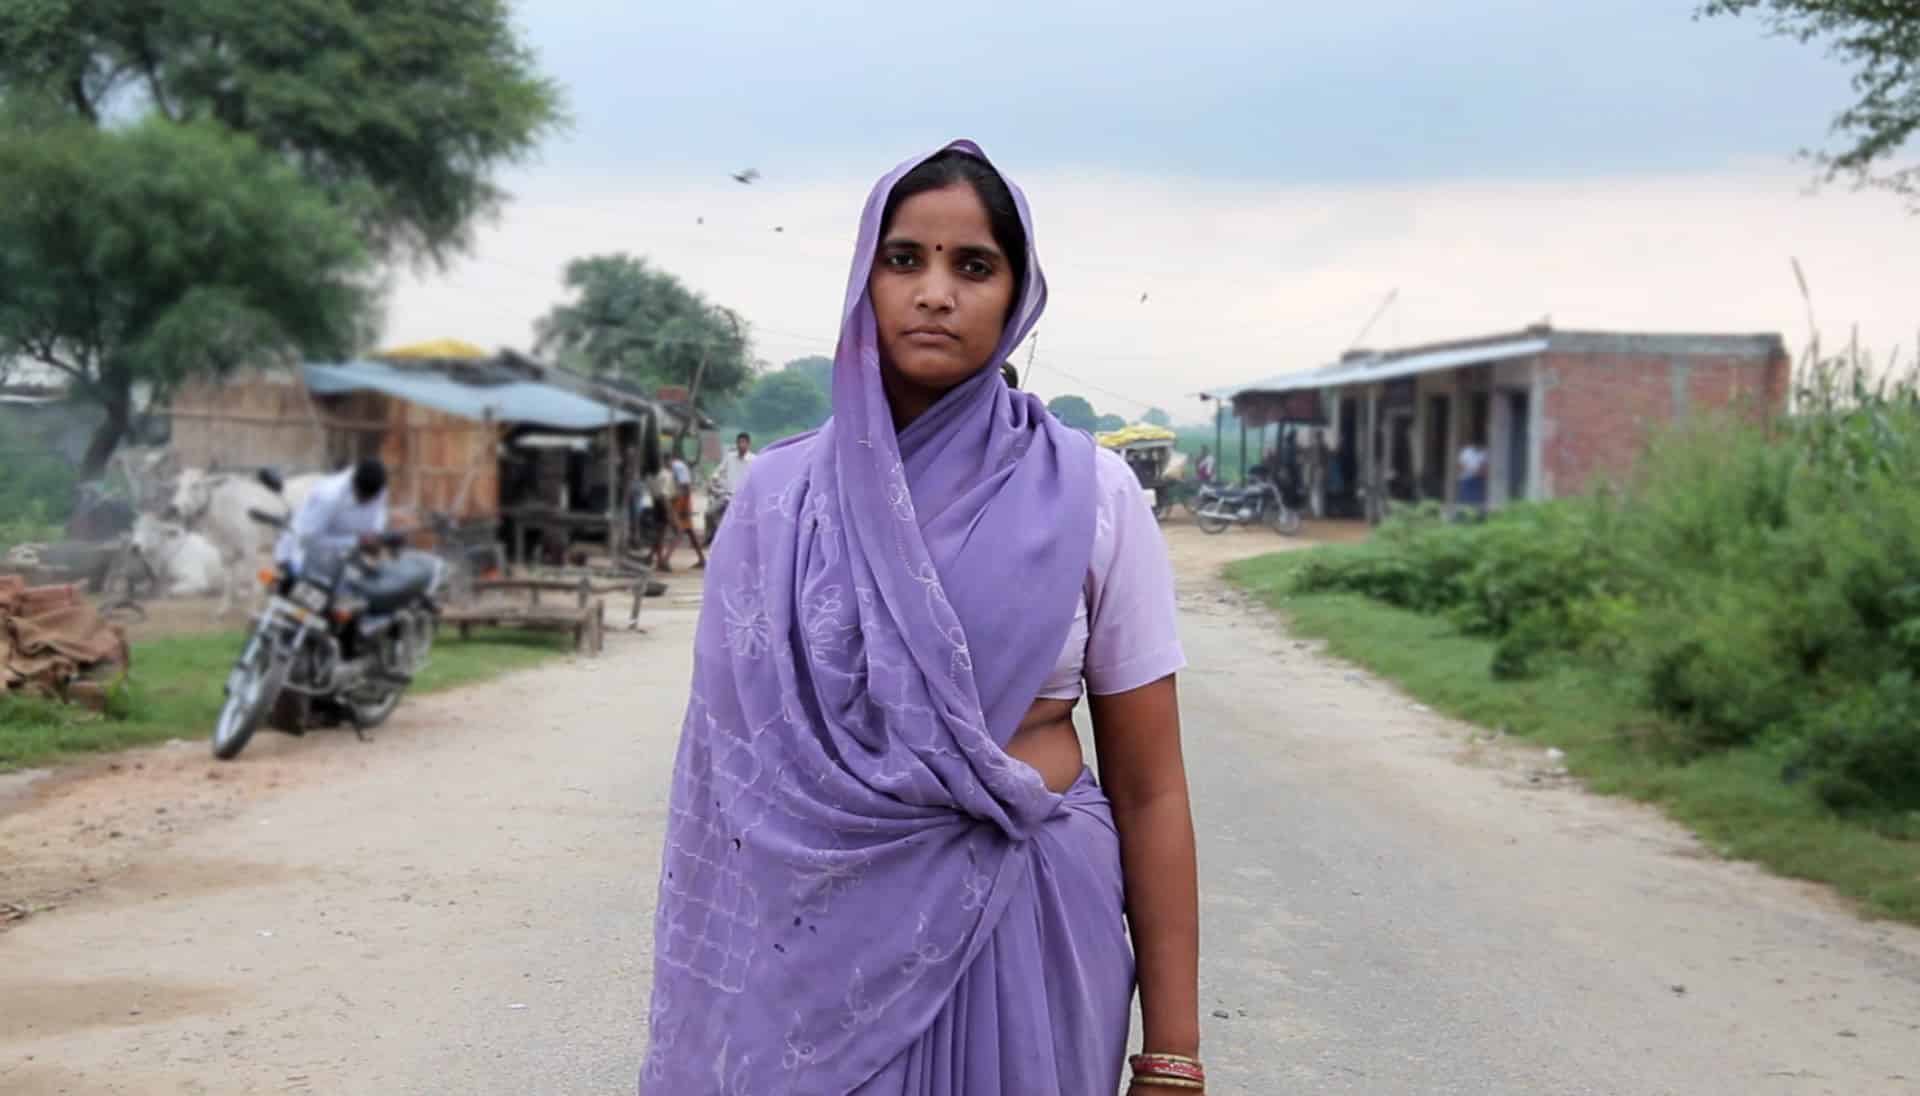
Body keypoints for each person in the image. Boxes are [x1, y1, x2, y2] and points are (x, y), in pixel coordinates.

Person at [641, 142, 1203, 1096]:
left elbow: (1152, 791)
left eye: (972, 265)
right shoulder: (779, 496)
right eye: (905, 259)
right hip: (809, 955)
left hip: (1028, 927)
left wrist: (1174, 1052)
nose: (935, 292)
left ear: (1017, 295)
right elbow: (729, 788)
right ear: (865, 277)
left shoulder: (1093, 495)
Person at [274, 460, 388, 573]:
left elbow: (379, 512)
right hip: (302, 555)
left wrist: (375, 533)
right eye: (365, 499)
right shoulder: (329, 496)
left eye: (373, 498)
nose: (369, 502)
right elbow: (310, 539)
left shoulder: (377, 487)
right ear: (354, 486)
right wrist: (355, 541)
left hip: (344, 556)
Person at [653, 453, 706, 572]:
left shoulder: (678, 467)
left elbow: (685, 486)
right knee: (688, 530)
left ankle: (665, 560)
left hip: (681, 500)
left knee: (679, 530)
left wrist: (683, 507)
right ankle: (701, 559)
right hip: (677, 500)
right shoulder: (670, 470)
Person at [704, 432, 755, 546]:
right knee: (709, 513)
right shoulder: (730, 457)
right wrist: (713, 479)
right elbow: (717, 472)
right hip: (727, 496)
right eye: (739, 442)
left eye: (744, 442)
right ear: (736, 444)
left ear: (748, 444)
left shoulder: (754, 460)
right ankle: (712, 537)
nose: (741, 445)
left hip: (743, 498)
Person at [1458, 438, 1489, 510]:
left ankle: (1476, 511)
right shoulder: (1466, 452)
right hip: (1466, 478)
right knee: (1465, 497)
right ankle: (1465, 511)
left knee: (1477, 498)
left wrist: (1477, 472)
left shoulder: (1484, 452)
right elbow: (1461, 465)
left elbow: (1484, 466)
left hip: (1478, 478)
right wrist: (1472, 471)